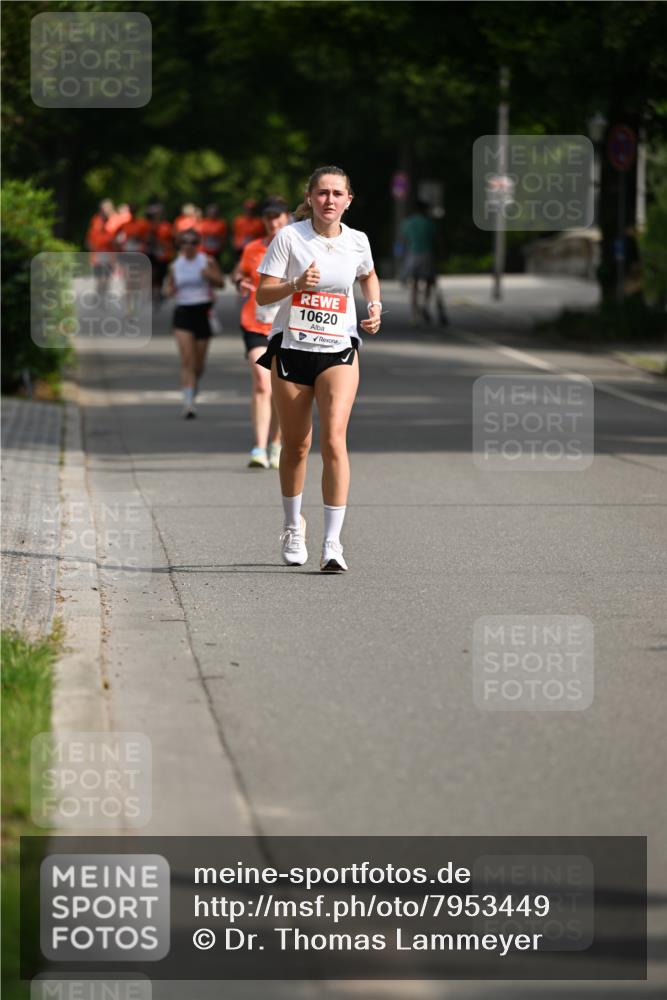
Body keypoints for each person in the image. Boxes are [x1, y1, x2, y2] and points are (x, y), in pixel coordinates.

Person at [255, 165, 381, 572]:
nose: (329, 200)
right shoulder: (289, 238)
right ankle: (293, 525)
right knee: (296, 446)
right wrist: (296, 286)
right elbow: (262, 295)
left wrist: (374, 305)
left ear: (348, 200)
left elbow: (368, 274)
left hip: (338, 349)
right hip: (292, 349)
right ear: (309, 198)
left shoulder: (358, 241)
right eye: (322, 193)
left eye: (337, 193)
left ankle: (332, 543)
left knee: (334, 440)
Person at [232, 196, 290, 469]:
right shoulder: (252, 248)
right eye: (269, 219)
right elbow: (239, 273)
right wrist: (240, 281)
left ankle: (276, 443)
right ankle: (258, 447)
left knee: (279, 387)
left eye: (278, 218)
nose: (274, 223)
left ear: (287, 218)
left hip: (286, 325)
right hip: (255, 323)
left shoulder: (298, 247)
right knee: (261, 381)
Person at [165, 229, 225, 418]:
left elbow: (221, 283)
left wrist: (209, 275)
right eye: (184, 242)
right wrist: (169, 290)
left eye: (193, 242)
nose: (189, 245)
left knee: (199, 364)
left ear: (198, 244)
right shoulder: (175, 265)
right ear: (180, 245)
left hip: (202, 312)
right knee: (187, 359)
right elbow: (168, 288)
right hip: (183, 313)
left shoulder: (206, 260)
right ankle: (188, 403)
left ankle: (192, 386)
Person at [401, 199, 448, 326]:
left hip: (412, 255)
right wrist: (441, 255)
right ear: (424, 210)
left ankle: (414, 314)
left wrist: (403, 260)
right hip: (427, 255)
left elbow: (404, 241)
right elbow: (437, 240)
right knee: (429, 282)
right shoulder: (429, 223)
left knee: (414, 285)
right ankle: (424, 305)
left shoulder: (408, 223)